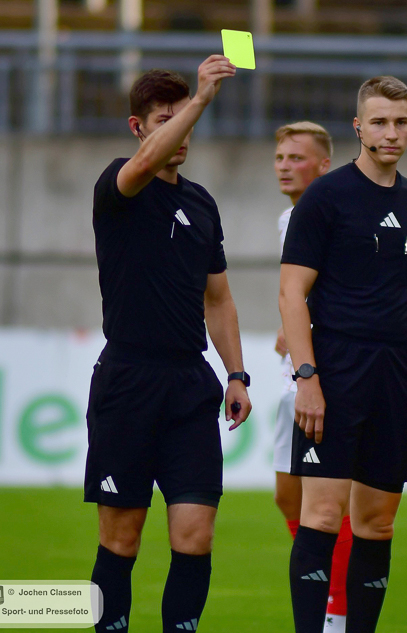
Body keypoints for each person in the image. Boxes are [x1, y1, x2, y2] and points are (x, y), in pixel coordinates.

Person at [84, 57, 252, 633]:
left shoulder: (202, 204)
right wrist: (201, 99)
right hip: (128, 381)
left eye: (187, 119)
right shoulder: (119, 183)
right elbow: (145, 164)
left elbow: (219, 299)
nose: (182, 130)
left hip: (189, 385)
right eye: (167, 119)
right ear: (138, 127)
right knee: (121, 538)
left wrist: (237, 373)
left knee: (195, 535)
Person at [279, 76, 407, 633]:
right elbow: (291, 293)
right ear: (358, 127)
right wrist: (307, 377)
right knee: (322, 515)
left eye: (400, 122)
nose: (391, 133)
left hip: (397, 377)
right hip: (335, 371)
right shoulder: (325, 197)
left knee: (377, 525)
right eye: (379, 122)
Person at [272, 121, 352, 633]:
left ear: (324, 165)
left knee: (328, 506)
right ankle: (328, 596)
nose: (284, 166)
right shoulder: (288, 218)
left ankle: (336, 610)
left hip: (322, 374)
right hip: (293, 374)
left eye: (296, 157)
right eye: (280, 157)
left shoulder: (336, 214)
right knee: (288, 497)